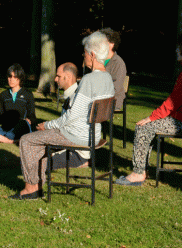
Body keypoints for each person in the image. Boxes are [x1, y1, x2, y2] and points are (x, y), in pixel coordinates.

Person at [10, 31, 115, 200]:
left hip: (77, 135)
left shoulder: (89, 80)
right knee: (39, 142)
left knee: (27, 141)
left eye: (85, 53)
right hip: (93, 135)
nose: (84, 57)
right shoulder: (108, 78)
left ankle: (31, 188)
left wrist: (48, 125)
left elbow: (72, 115)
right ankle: (37, 183)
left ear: (92, 55)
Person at [115, 34, 182, 187]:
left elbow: (173, 101)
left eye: (179, 48)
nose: (176, 51)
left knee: (143, 127)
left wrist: (152, 117)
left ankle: (138, 173)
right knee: (147, 127)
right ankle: (142, 170)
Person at [99, 28, 128, 111]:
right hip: (97, 98)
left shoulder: (118, 63)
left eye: (102, 42)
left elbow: (116, 88)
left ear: (112, 44)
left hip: (112, 100)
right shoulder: (97, 60)